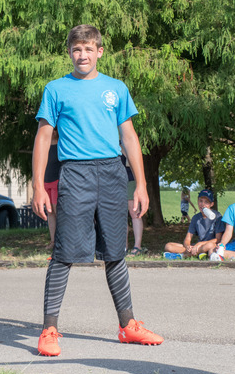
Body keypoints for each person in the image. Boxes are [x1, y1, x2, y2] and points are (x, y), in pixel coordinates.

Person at [31, 24, 163, 357]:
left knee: (115, 253)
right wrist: (38, 186)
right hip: (75, 173)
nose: (82, 55)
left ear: (99, 52)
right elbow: (44, 138)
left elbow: (129, 137)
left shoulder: (115, 89)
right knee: (65, 253)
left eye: (89, 49)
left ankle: (128, 326)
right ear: (69, 53)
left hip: (112, 172)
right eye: (76, 49)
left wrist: (142, 184)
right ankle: (49, 329)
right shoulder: (56, 89)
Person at [164, 190, 223, 258]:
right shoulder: (196, 218)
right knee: (168, 246)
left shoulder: (217, 216)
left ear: (211, 204)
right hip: (197, 247)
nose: (202, 204)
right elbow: (188, 237)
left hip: (209, 246)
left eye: (206, 202)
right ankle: (196, 253)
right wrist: (187, 246)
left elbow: (218, 239)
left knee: (210, 245)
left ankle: (183, 256)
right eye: (200, 201)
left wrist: (199, 244)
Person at [123, 153, 146, 255]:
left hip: (130, 179)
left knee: (135, 213)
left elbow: (132, 158)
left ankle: (137, 247)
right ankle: (124, 247)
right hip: (115, 181)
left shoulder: (125, 139)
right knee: (120, 216)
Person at [42, 129, 61, 251]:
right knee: (50, 212)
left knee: (57, 211)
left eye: (55, 129)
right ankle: (53, 241)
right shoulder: (44, 144)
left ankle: (62, 241)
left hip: (57, 181)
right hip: (45, 182)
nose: (52, 132)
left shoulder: (61, 144)